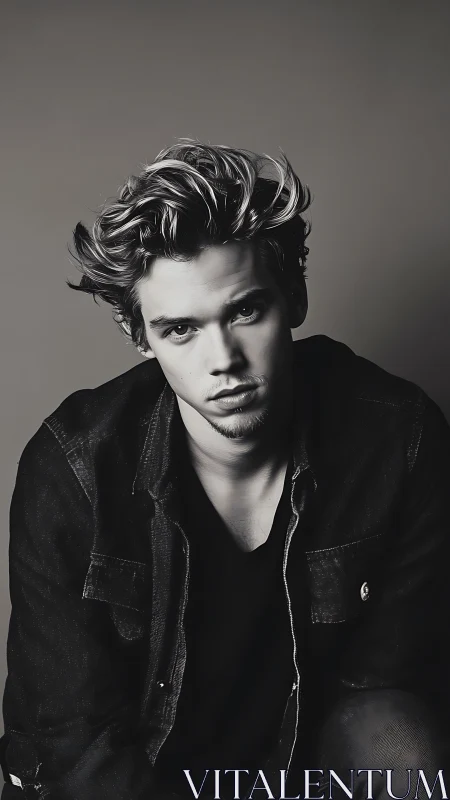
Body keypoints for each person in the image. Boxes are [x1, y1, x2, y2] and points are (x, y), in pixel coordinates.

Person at [1, 141, 449, 800]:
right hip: (127, 781)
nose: (224, 360)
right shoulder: (74, 469)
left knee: (397, 735)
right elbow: (75, 740)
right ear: (141, 337)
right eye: (180, 329)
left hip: (300, 779)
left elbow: (386, 687)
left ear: (293, 299)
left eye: (245, 311)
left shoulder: (396, 437)